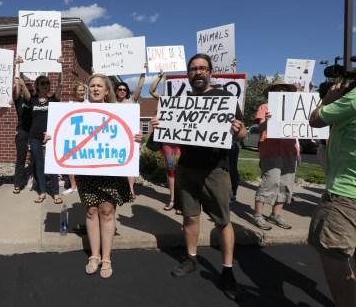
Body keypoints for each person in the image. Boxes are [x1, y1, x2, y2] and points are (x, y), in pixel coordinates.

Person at [151, 54, 247, 300]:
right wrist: (158, 126)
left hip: (216, 169)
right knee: (190, 217)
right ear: (188, 74)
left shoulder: (225, 98)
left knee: (223, 221)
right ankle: (191, 258)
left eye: (203, 68)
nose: (198, 72)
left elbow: (243, 133)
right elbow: (160, 139)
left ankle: (227, 270)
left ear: (210, 72)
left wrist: (238, 132)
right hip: (187, 168)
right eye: (193, 69)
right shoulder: (180, 102)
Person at [45, 73, 142, 279]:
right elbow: (64, 134)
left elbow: (129, 136)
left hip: (110, 170)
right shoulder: (77, 110)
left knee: (107, 210)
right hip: (86, 169)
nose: (96, 89)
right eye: (92, 86)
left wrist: (136, 137)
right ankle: (94, 255)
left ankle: (106, 258)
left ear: (108, 91)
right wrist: (51, 137)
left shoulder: (121, 112)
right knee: (90, 210)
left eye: (100, 86)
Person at [308, 80, 356, 307]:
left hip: (346, 195)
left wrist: (328, 98)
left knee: (335, 257)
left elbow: (316, 119)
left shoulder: (353, 98)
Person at [252, 78, 298, 230]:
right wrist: (268, 121)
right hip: (270, 151)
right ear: (272, 92)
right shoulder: (265, 107)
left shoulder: (294, 108)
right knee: (270, 182)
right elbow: (259, 128)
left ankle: (276, 215)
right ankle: (258, 215)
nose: (281, 91)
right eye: (278, 89)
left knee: (286, 184)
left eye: (284, 89)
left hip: (290, 150)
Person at [19, 60, 63, 204]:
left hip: (50, 136)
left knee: (52, 164)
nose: (46, 85)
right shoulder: (32, 100)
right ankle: (42, 192)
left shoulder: (53, 100)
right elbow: (21, 84)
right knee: (39, 164)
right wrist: (18, 67)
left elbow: (60, 85)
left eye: (47, 83)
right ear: (37, 86)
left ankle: (56, 193)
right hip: (35, 136)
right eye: (43, 83)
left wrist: (60, 67)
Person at [149, 70, 181, 212]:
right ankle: (173, 199)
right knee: (171, 170)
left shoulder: (188, 101)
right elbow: (151, 90)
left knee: (183, 171)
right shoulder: (164, 99)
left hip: (183, 142)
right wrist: (160, 77)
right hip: (167, 140)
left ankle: (182, 202)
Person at [115, 66, 146, 200]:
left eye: (124, 89)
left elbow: (139, 87)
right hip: (116, 137)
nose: (122, 91)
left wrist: (142, 72)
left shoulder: (132, 101)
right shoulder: (111, 103)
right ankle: (117, 188)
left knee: (130, 164)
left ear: (127, 91)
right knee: (117, 162)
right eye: (120, 89)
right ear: (116, 91)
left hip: (132, 137)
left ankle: (131, 190)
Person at [63, 81, 86, 195]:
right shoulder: (70, 104)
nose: (82, 92)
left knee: (84, 162)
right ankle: (73, 186)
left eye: (83, 90)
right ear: (75, 92)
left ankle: (83, 186)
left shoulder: (89, 103)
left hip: (85, 136)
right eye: (80, 90)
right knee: (70, 162)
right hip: (73, 136)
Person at [12, 73, 34, 194]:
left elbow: (29, 97)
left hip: (34, 132)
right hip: (22, 132)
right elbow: (16, 90)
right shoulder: (18, 99)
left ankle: (34, 180)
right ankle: (17, 183)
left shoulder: (34, 100)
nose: (29, 90)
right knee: (21, 159)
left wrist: (23, 84)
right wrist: (17, 72)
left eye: (31, 88)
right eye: (27, 87)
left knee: (35, 158)